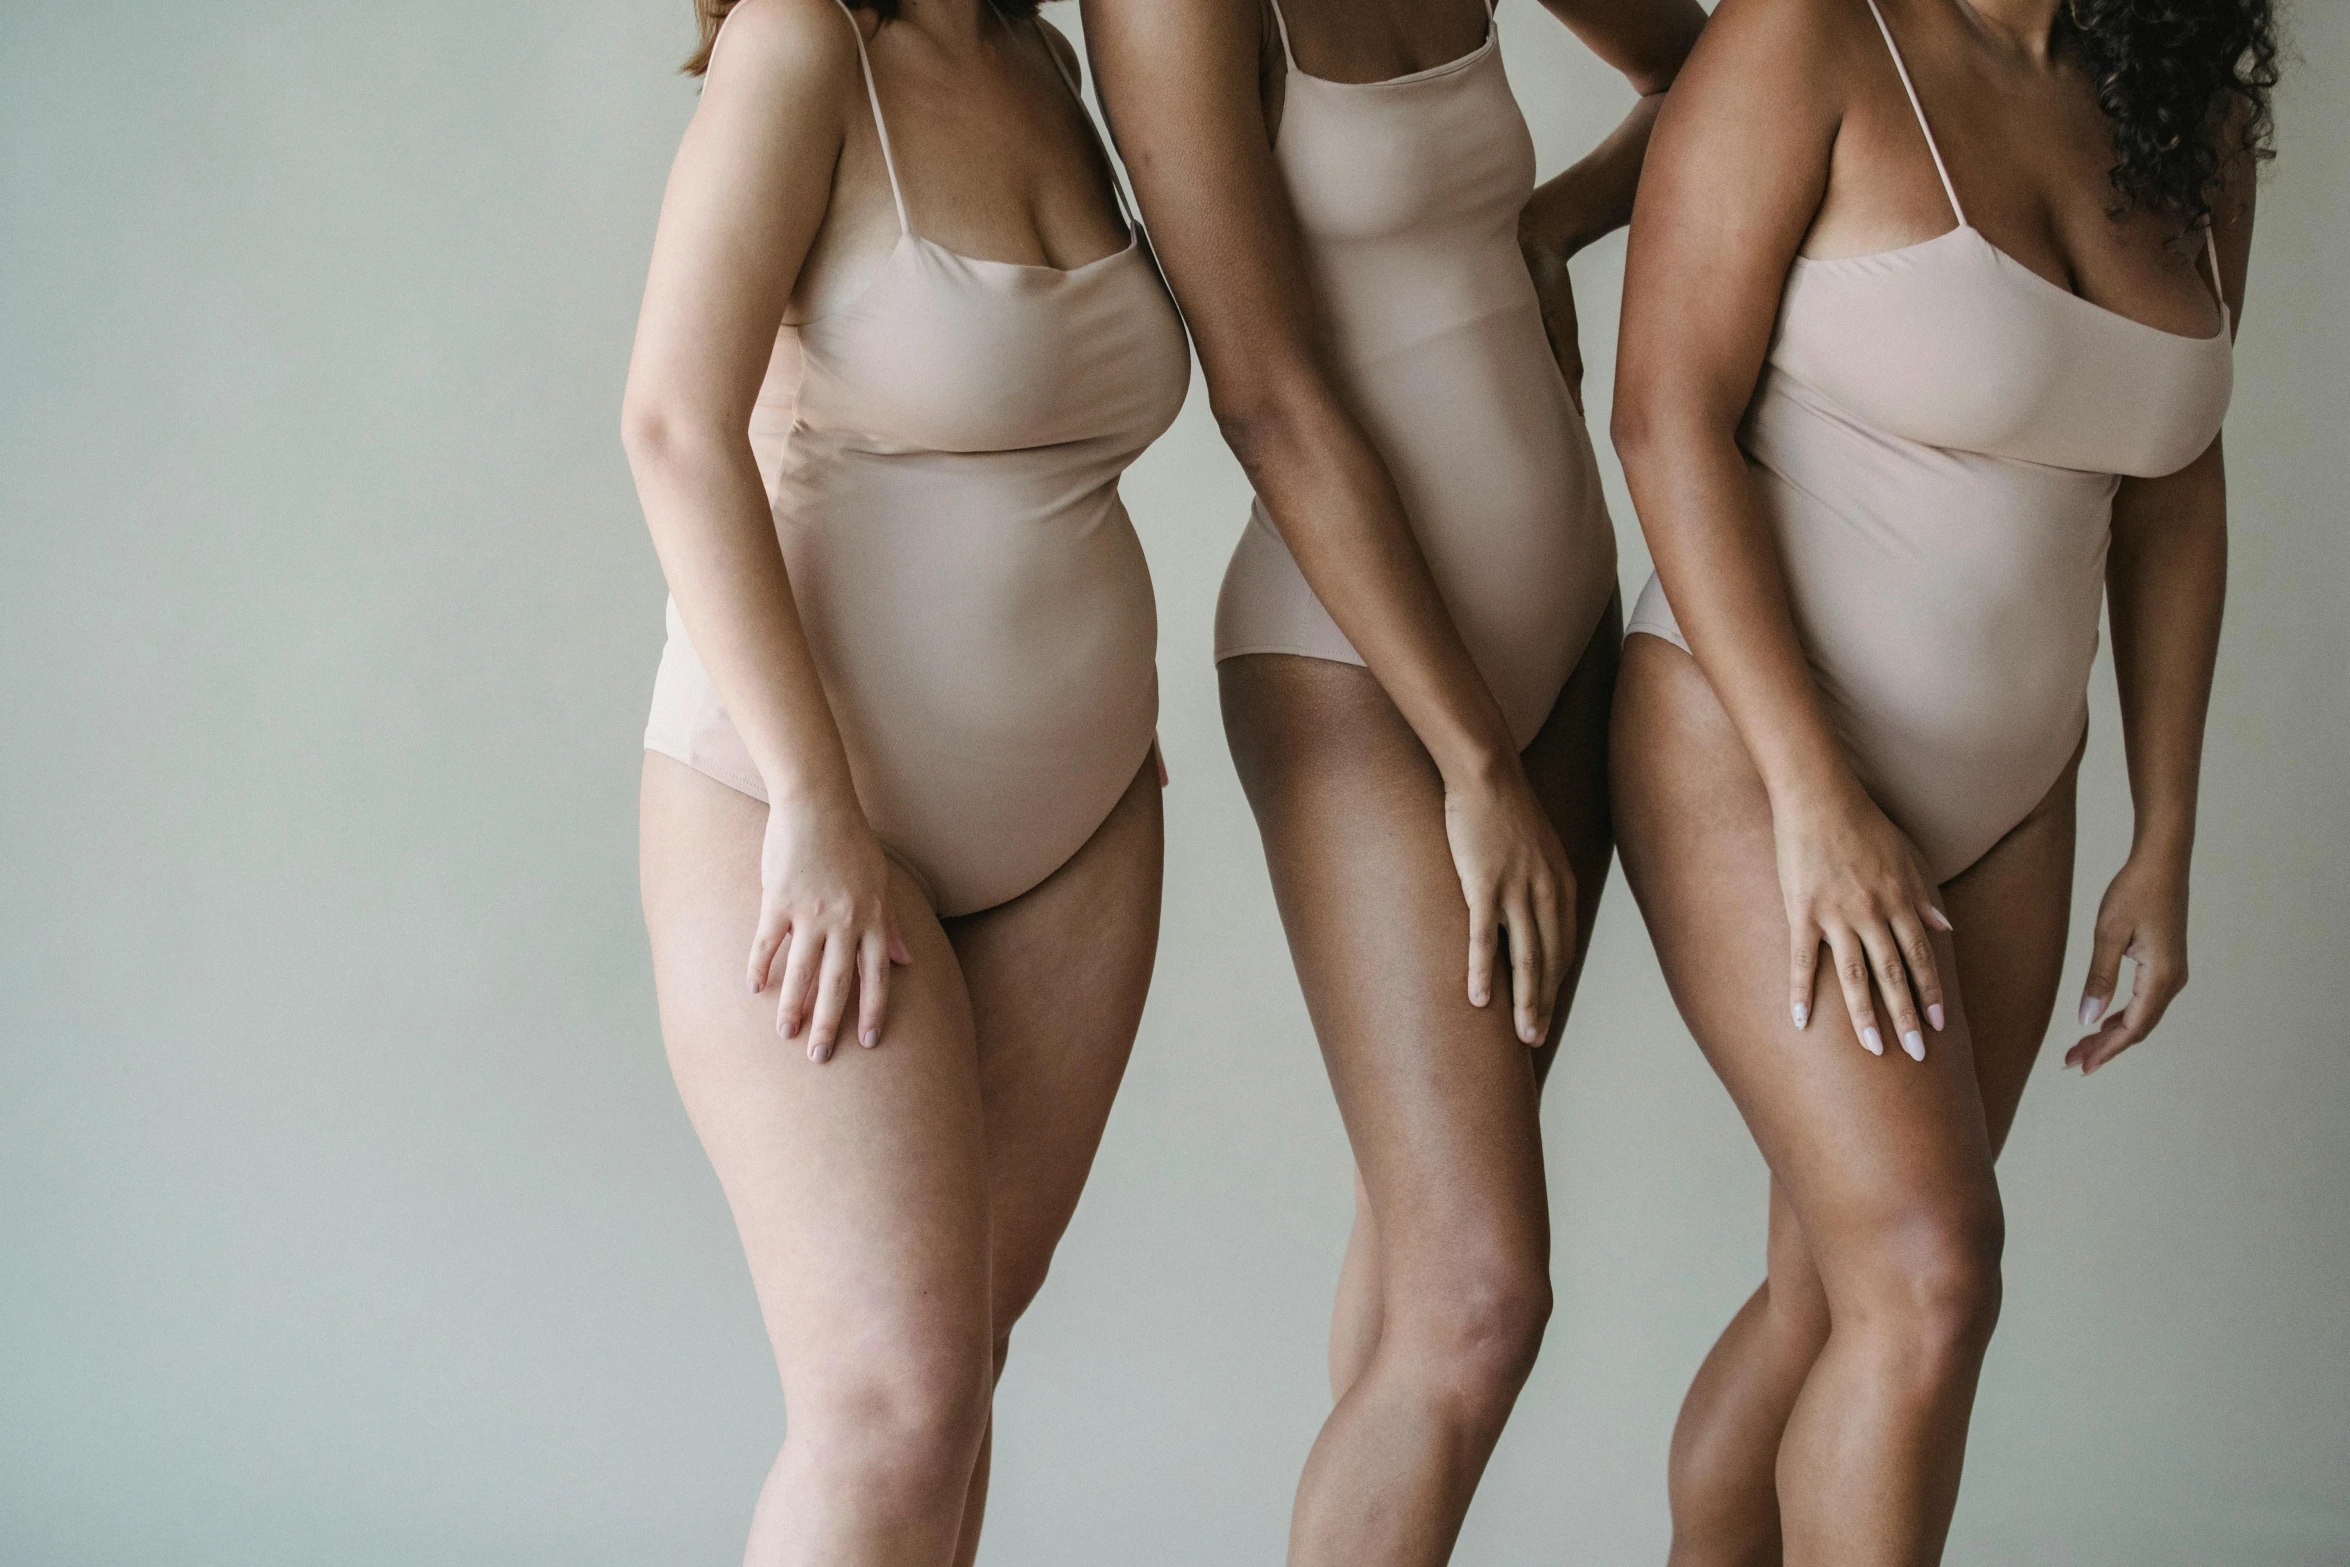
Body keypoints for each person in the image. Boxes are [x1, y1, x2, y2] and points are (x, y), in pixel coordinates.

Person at [1607, 0, 2273, 1557]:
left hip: (2015, 792)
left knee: (1834, 1297)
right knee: (1929, 1272)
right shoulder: (1810, 40)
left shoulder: (2184, 106)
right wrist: (1813, 798)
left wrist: (2162, 830)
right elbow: (1661, 414)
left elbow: (2176, 477)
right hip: (1749, 749)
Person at [1080, 1, 1702, 1559]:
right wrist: (1470, 754)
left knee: (1419, 1261)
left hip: (1559, 621)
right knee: (1478, 1294)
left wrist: (1552, 227)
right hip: (1362, 672)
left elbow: (1712, 63)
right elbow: (1265, 394)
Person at [619, 0, 1188, 1560]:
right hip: (796, 813)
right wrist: (814, 804)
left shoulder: (1047, 57)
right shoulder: (803, 44)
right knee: (891, 1407)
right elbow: (673, 425)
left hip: (1073, 827)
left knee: (964, 1371)